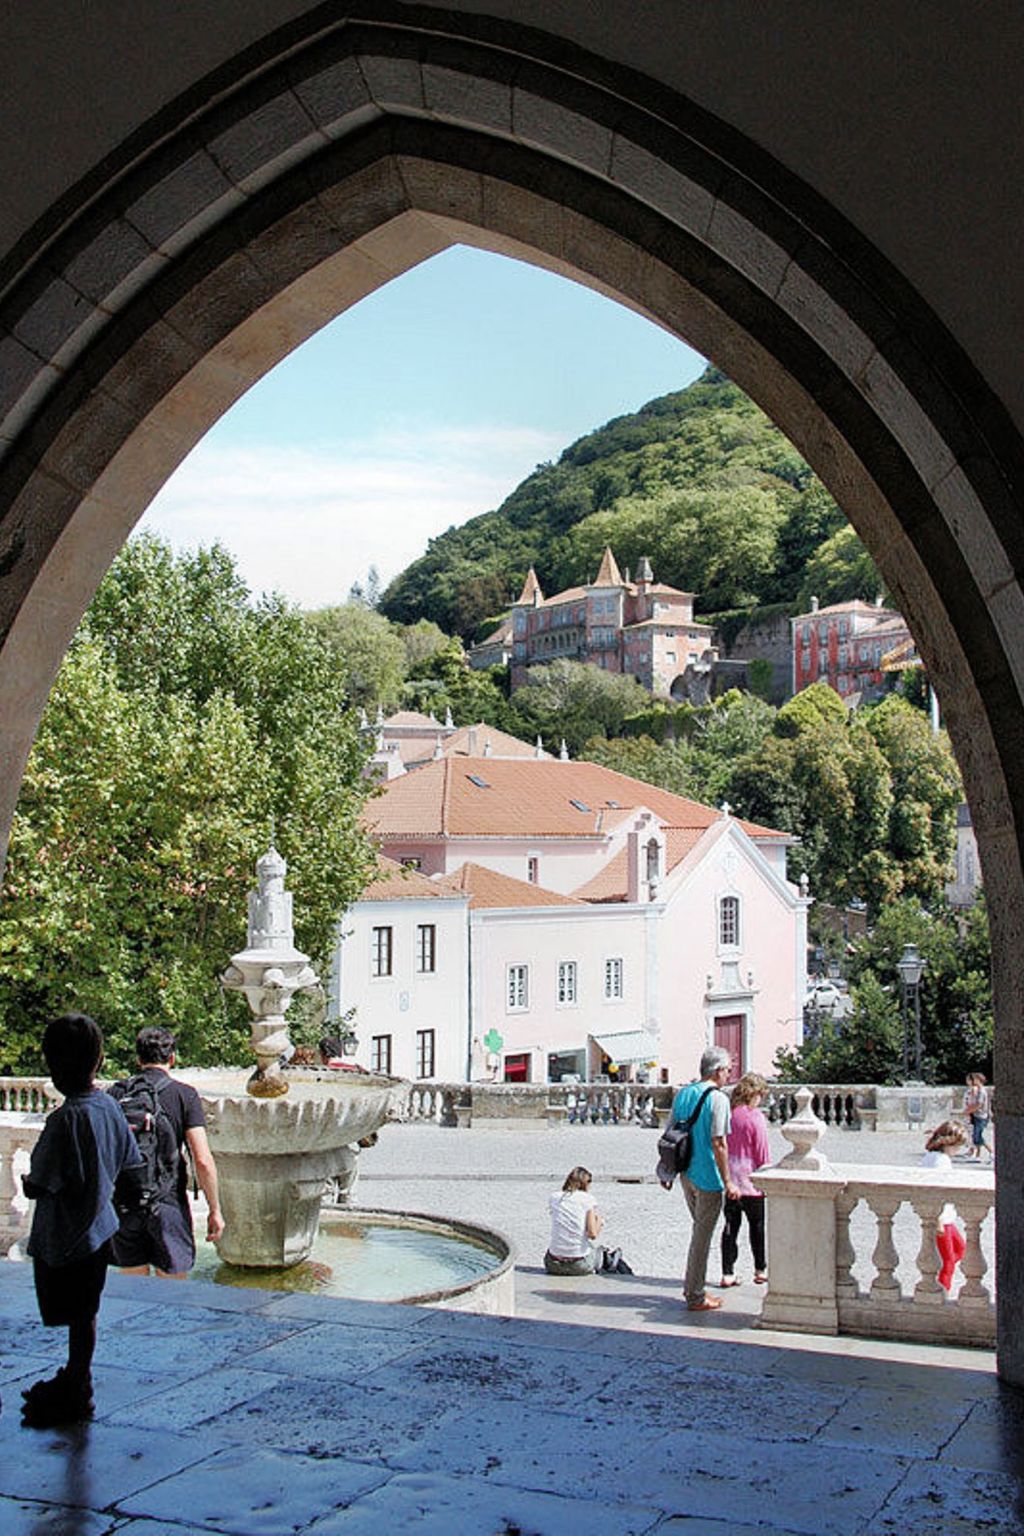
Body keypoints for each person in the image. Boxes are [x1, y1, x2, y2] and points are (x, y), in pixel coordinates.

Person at [20, 1013, 142, 1427]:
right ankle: (78, 1377)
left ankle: (75, 1383)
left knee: (70, 1308)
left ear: (53, 1066)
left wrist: (29, 1182)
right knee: (85, 1313)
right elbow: (129, 1164)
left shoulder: (64, 1119)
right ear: (100, 1059)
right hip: (99, 1231)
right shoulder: (108, 1107)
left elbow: (39, 1183)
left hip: (65, 1235)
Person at [109, 1025, 224, 1277]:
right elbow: (203, 1160)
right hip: (166, 1205)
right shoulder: (185, 1095)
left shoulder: (117, 1093)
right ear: (172, 1057)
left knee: (133, 1295)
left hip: (125, 1205)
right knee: (173, 1299)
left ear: (138, 1059)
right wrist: (215, 1209)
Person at [662, 1045, 739, 1312]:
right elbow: (719, 1143)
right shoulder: (718, 1099)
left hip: (685, 1174)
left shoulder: (683, 1094)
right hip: (708, 1178)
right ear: (718, 1071)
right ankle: (695, 1294)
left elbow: (670, 1134)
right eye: (728, 1069)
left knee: (699, 1232)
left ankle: (694, 1289)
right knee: (701, 1237)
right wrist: (728, 1181)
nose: (730, 1074)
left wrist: (667, 1170)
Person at [719, 1072, 771, 1288]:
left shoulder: (729, 1115)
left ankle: (727, 1272)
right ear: (755, 1094)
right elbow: (762, 1153)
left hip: (731, 1179)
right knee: (756, 1227)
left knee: (731, 1227)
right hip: (751, 1182)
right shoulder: (755, 1117)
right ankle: (760, 1269)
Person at [922, 1120, 968, 1290]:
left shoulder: (931, 1157)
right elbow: (934, 1191)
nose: (958, 1150)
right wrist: (939, 1219)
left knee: (959, 1249)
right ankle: (942, 1292)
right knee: (948, 1261)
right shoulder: (940, 1160)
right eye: (957, 1146)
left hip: (945, 1217)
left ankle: (939, 1283)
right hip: (942, 1217)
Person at [544, 1166, 611, 1275]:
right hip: (579, 1265)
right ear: (585, 1183)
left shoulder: (554, 1197)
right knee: (599, 1251)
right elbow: (592, 1234)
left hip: (552, 1264)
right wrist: (599, 1221)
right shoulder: (588, 1200)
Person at [963, 1072, 993, 1161]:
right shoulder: (979, 1090)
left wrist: (967, 1111)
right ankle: (977, 1155)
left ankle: (991, 1151)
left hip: (981, 1116)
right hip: (977, 1115)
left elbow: (978, 1104)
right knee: (976, 1135)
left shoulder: (981, 1091)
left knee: (978, 1136)